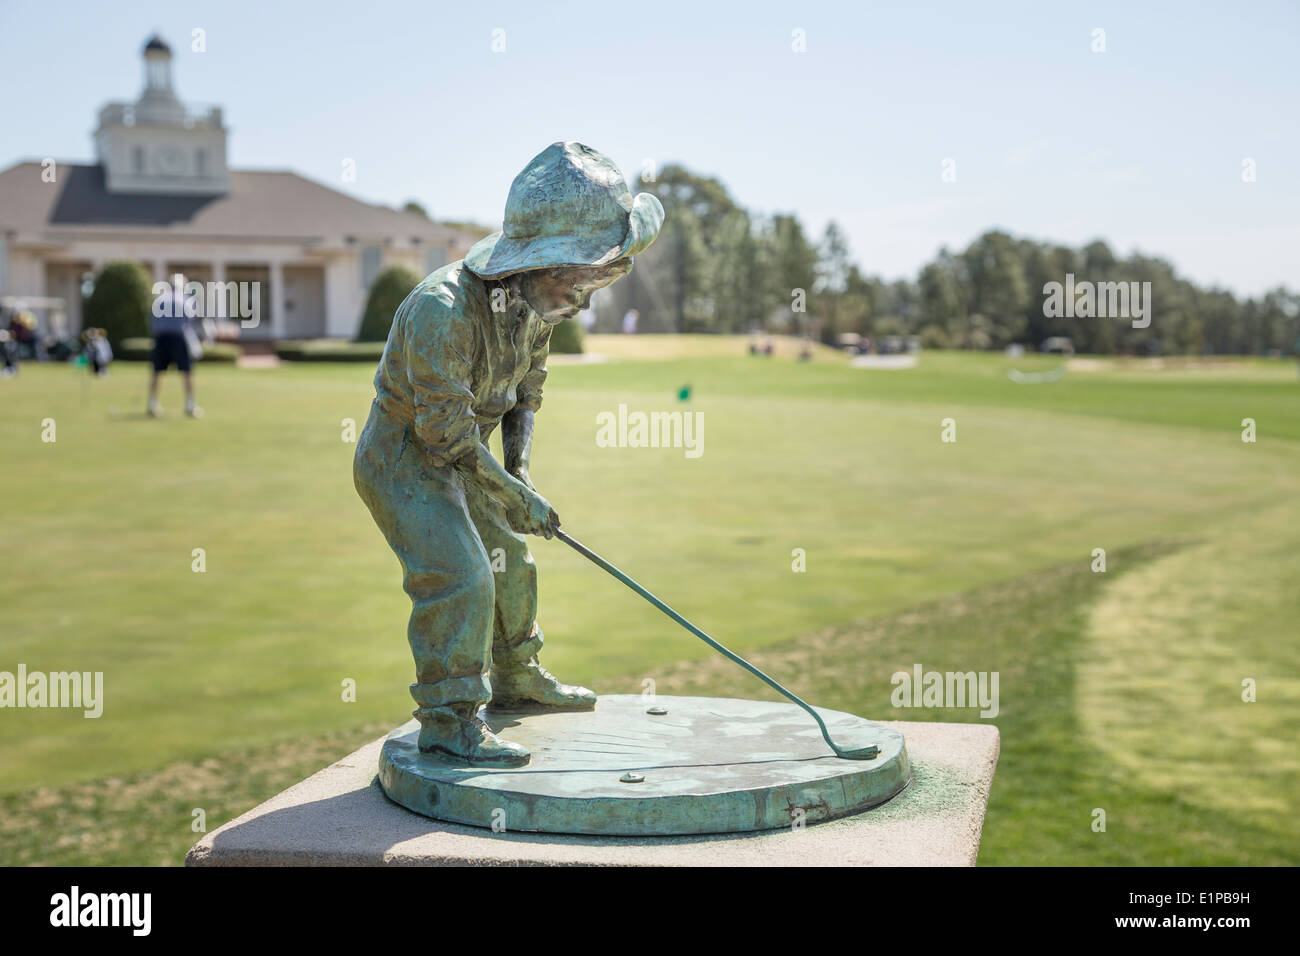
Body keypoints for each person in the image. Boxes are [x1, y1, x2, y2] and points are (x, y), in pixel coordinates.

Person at [353, 142, 662, 766]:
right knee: (463, 573)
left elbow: (525, 395)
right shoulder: (443, 311)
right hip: (404, 458)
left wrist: (518, 472)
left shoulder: (538, 306)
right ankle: (449, 718)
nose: (586, 298)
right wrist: (509, 491)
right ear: (538, 265)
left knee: (511, 560)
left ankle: (518, 677)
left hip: (470, 453)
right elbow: (447, 434)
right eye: (581, 280)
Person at [147, 282, 203, 417]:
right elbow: (191, 320)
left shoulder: (159, 299)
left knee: (156, 372)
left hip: (161, 338)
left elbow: (152, 321)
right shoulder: (185, 299)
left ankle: (152, 404)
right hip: (179, 338)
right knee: (187, 372)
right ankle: (190, 405)